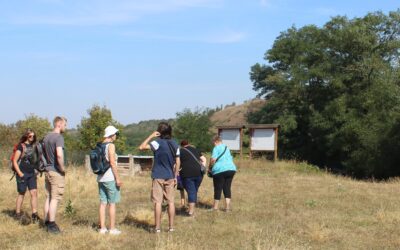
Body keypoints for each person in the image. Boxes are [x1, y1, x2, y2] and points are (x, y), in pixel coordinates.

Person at [139, 122, 180, 233]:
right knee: (171, 202)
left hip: (158, 175)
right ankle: (171, 227)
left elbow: (141, 147)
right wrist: (176, 175)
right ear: (170, 131)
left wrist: (151, 136)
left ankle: (157, 228)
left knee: (158, 202)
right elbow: (178, 161)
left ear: (159, 132)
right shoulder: (175, 144)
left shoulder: (157, 143)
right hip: (170, 176)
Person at [43, 116, 67, 234]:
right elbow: (59, 155)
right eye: (65, 125)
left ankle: (46, 222)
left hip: (47, 171)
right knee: (55, 198)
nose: (65, 127)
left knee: (48, 197)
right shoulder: (58, 137)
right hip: (55, 172)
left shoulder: (46, 137)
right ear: (59, 124)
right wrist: (62, 169)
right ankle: (52, 225)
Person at [97, 125, 123, 235]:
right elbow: (112, 162)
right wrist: (117, 178)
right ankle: (112, 229)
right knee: (112, 203)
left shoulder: (100, 145)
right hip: (110, 178)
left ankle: (102, 228)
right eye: (115, 134)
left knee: (103, 203)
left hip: (100, 178)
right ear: (111, 135)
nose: (116, 135)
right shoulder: (110, 146)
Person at [12, 128, 40, 223]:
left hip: (32, 174)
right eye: (30, 136)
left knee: (34, 193)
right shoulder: (21, 146)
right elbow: (15, 161)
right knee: (21, 193)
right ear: (26, 136)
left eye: (33, 136)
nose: (32, 137)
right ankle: (18, 214)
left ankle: (34, 215)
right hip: (22, 174)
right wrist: (20, 173)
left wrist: (37, 170)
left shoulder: (34, 146)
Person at [208, 135, 237, 212]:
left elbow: (213, 159)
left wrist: (210, 167)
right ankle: (227, 208)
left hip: (220, 170)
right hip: (231, 169)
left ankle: (215, 207)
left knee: (218, 188)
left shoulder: (216, 148)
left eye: (213, 143)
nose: (213, 145)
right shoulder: (227, 148)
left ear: (216, 141)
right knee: (227, 187)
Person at [179, 140, 207, 216]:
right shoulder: (195, 149)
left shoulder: (180, 151)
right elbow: (204, 159)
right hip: (199, 174)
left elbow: (177, 162)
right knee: (194, 191)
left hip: (187, 174)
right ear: (188, 144)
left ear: (181, 145)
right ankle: (191, 206)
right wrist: (203, 167)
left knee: (191, 191)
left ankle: (191, 212)